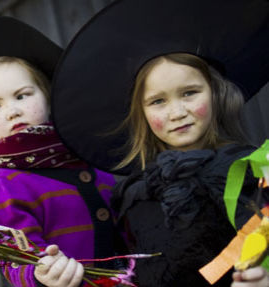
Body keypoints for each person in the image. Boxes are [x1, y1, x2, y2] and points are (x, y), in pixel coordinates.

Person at [48, 0, 269, 286]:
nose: (177, 113)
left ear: (215, 94)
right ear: (141, 113)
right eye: (158, 101)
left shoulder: (251, 170)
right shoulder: (133, 197)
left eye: (189, 93)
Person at [0, 17, 121, 287]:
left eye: (22, 95)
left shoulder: (93, 155)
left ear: (49, 96)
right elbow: (18, 257)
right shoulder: (5, 183)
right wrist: (40, 272)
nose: (11, 111)